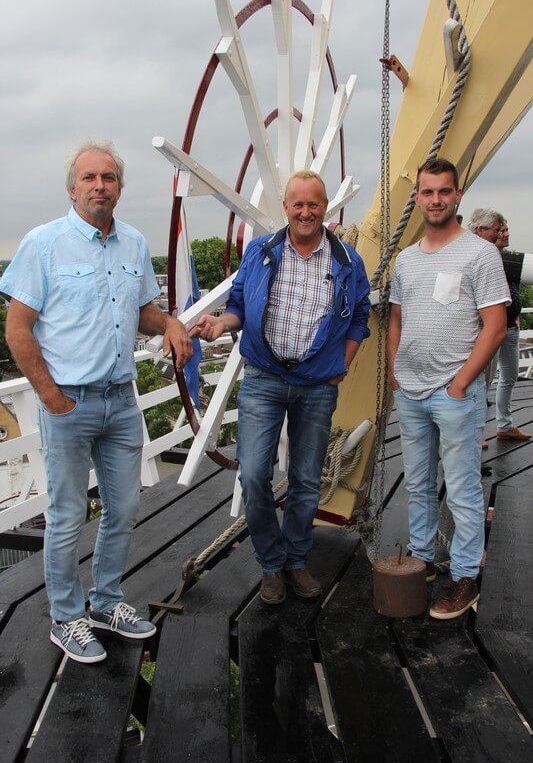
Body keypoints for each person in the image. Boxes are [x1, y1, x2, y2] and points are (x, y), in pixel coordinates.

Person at [0, 140, 192, 663]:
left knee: (124, 508)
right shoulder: (44, 244)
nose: (99, 186)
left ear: (120, 188)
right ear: (72, 187)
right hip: (69, 403)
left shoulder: (132, 243)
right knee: (66, 515)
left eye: (108, 177)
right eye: (89, 178)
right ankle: (66, 617)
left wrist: (171, 322)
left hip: (120, 401)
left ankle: (106, 601)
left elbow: (143, 312)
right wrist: (50, 397)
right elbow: (18, 330)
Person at [192, 171, 370, 605]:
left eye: (314, 204)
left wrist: (340, 366)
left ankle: (295, 560)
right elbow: (237, 305)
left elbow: (360, 315)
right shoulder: (261, 252)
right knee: (253, 475)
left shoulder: (346, 261)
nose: (305, 212)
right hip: (264, 379)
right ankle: (271, 563)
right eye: (298, 204)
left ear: (324, 207)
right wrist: (220, 323)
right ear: (287, 207)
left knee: (307, 479)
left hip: (317, 385)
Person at [387, 158, 509, 620]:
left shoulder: (480, 255)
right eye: (427, 192)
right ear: (417, 198)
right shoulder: (406, 259)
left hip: (453, 393)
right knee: (418, 484)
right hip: (412, 392)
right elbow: (397, 317)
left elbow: (495, 327)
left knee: (460, 489)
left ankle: (464, 578)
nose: (435, 200)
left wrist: (460, 384)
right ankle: (422, 559)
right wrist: (397, 373)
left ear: (458, 196)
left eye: (443, 192)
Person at [469, 211, 531, 442]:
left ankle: (504, 425)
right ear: (481, 232)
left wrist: (513, 316)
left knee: (509, 376)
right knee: (481, 381)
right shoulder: (485, 259)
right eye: (498, 230)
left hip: (509, 328)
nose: (504, 234)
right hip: (488, 330)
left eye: (503, 230)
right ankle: (477, 432)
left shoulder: (506, 259)